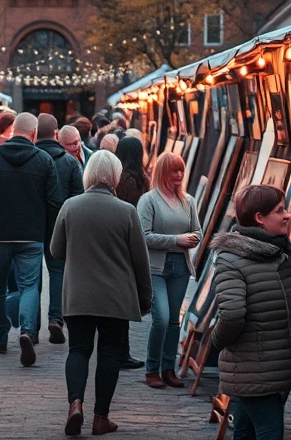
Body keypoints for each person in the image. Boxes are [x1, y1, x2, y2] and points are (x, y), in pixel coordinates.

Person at [51, 151, 152, 436]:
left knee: (78, 350)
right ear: (115, 177)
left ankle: (75, 404)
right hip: (115, 298)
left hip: (78, 295)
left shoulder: (70, 207)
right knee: (109, 353)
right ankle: (100, 418)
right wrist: (145, 299)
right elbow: (140, 261)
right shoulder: (126, 211)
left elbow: (56, 251)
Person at [210, 185, 291, 440]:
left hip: (278, 367)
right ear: (259, 218)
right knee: (269, 433)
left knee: (245, 429)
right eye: (279, 210)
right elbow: (231, 315)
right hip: (254, 370)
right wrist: (216, 342)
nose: (287, 215)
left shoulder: (283, 252)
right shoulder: (231, 258)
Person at [0, 112, 63, 367]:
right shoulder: (44, 160)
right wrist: (44, 229)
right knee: (29, 286)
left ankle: (0, 339)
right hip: (31, 236)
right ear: (34, 133)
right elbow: (55, 202)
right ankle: (27, 330)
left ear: (13, 131)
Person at [138, 152, 200, 388]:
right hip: (156, 268)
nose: (179, 175)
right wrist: (176, 240)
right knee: (161, 318)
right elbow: (143, 237)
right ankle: (151, 368)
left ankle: (168, 368)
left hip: (180, 267)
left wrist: (192, 239)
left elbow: (199, 231)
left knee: (174, 320)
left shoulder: (188, 201)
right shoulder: (149, 200)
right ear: (163, 172)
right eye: (174, 170)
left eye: (182, 170)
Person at [35, 114, 85, 345]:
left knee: (31, 276)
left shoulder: (31, 158)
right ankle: (56, 317)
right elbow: (78, 197)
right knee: (57, 271)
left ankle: (31, 327)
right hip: (60, 225)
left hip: (32, 225)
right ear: (56, 132)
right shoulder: (69, 162)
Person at [113, 136, 150, 370]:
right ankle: (121, 352)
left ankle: (119, 350)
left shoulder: (117, 176)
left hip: (117, 239)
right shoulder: (134, 180)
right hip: (128, 241)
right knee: (124, 298)